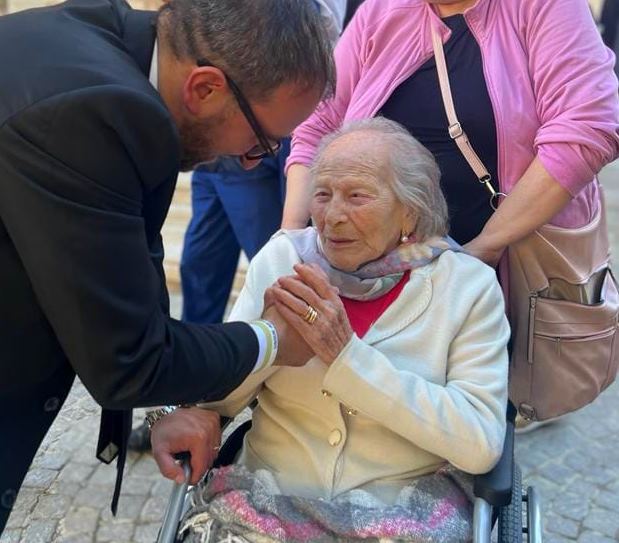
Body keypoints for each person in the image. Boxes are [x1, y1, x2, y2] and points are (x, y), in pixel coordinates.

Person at [0, 0, 334, 531]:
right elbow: (129, 358)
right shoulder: (100, 111)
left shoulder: (114, 47)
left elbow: (127, 264)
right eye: (262, 141)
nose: (256, 160)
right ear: (204, 88)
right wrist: (271, 338)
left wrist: (164, 406)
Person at [151, 118, 510, 542]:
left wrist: (349, 359)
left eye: (357, 196)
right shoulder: (283, 260)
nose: (332, 216)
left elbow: (480, 442)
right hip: (269, 496)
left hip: (404, 509)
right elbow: (219, 399)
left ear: (409, 209)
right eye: (322, 194)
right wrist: (266, 342)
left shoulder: (467, 286)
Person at [280, 0, 619, 430]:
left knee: (465, 419)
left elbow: (585, 129)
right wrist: (291, 234)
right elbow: (318, 124)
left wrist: (479, 253)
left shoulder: (544, 6)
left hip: (497, 269)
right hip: (380, 275)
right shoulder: (381, 11)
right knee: (370, 410)